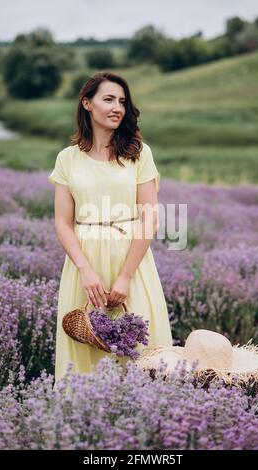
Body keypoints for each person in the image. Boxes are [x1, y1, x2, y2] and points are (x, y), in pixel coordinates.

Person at [48, 71, 173, 385]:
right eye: (108, 99)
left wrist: (126, 275)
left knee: (142, 350)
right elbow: (63, 223)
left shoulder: (139, 154)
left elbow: (149, 218)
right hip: (83, 265)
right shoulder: (67, 159)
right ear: (87, 104)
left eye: (122, 101)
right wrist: (85, 271)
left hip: (131, 262)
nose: (117, 107)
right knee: (85, 350)